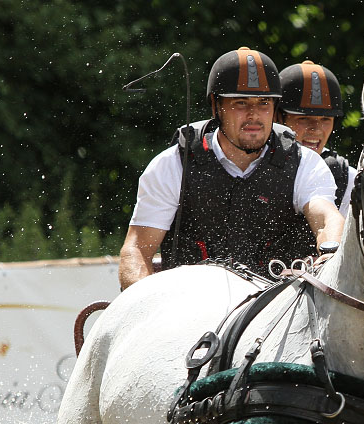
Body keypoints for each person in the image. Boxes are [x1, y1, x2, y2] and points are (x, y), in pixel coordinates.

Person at [119, 47, 344, 290]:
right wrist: (147, 304)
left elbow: (326, 218)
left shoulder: (306, 163)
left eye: (264, 103)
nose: (254, 115)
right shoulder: (173, 164)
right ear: (216, 106)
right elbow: (137, 250)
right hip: (190, 307)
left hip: (278, 312)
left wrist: (331, 253)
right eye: (240, 103)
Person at [277, 61, 357, 219]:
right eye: (305, 118)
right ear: (278, 118)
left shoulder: (348, 180)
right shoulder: (252, 165)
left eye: (326, 119)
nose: (317, 129)